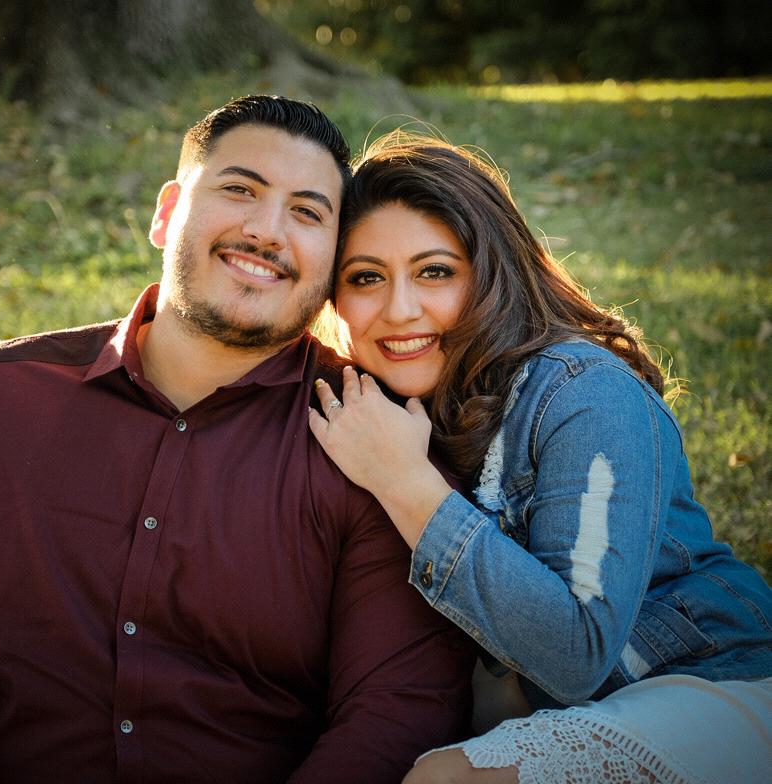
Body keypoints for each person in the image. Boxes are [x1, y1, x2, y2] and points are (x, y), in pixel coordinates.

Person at [0, 98, 477, 784]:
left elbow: (396, 703)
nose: (266, 230)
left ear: (331, 263)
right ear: (166, 213)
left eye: (306, 212)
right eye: (240, 190)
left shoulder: (374, 443)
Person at [305, 132, 772, 783]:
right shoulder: (379, 411)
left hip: (706, 684)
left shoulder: (586, 394)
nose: (400, 309)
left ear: (491, 275)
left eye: (435, 271)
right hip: (547, 715)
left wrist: (406, 484)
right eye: (366, 278)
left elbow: (578, 653)